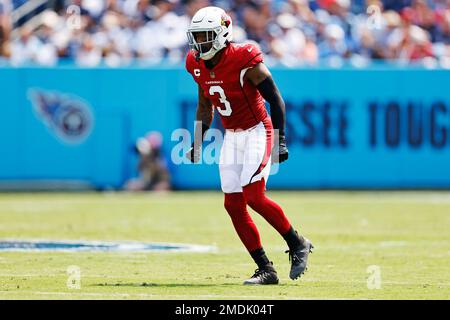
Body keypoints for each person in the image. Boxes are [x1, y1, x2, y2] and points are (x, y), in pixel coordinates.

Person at [184, 6, 313, 285]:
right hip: (232, 135)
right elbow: (205, 105)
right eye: (197, 36)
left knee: (254, 196)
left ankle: (298, 242)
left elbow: (276, 100)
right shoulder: (194, 63)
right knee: (233, 204)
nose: (200, 42)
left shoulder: (245, 58)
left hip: (257, 131)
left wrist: (279, 139)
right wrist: (197, 140)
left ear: (222, 33)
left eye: (206, 35)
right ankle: (265, 268)